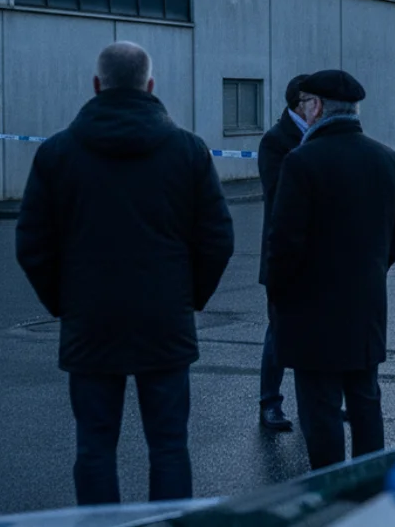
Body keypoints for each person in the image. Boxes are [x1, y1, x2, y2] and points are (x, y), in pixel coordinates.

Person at [16, 41, 234, 505]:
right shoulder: (187, 150)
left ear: (97, 85)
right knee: (169, 446)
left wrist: (63, 300)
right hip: (165, 318)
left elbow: (32, 243)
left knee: (95, 448)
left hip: (89, 318)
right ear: (149, 84)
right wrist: (188, 296)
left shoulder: (57, 153)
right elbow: (217, 238)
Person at [265, 69, 395, 470]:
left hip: (312, 310)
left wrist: (281, 296)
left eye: (307, 103)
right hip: (365, 307)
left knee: (320, 408)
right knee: (365, 402)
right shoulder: (385, 158)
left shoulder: (301, 161)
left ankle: (331, 496)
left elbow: (284, 243)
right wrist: (369, 272)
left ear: (317, 107)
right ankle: (369, 490)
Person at [256, 74, 310, 432]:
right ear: (297, 103)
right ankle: (269, 403)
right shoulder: (276, 141)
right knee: (279, 329)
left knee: (318, 330)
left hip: (321, 254)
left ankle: (317, 402)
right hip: (284, 252)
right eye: (312, 99)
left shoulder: (321, 134)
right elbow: (278, 198)